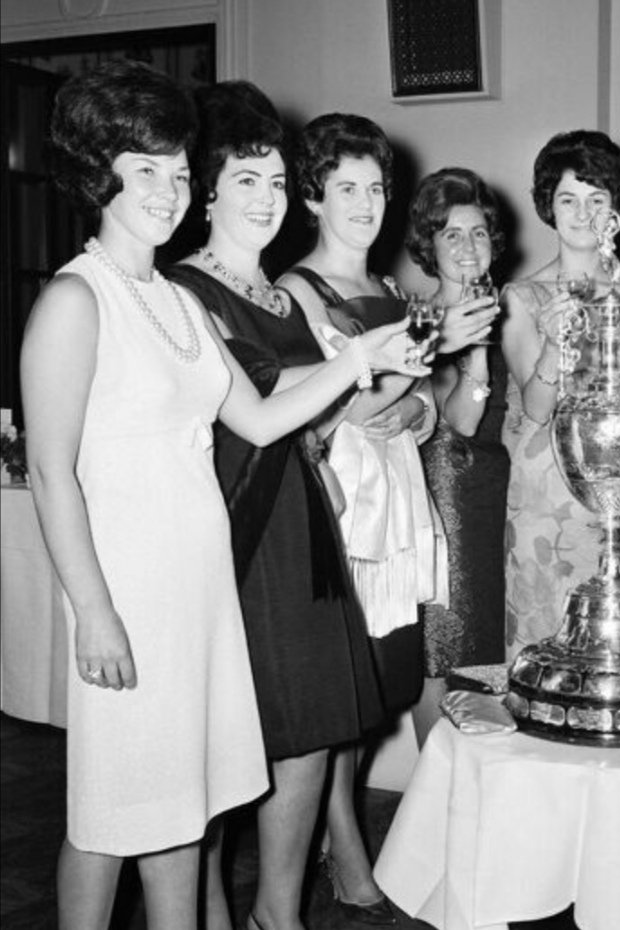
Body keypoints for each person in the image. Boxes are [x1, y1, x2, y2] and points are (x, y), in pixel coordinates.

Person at [21, 61, 424, 930]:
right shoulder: (73, 299)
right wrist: (92, 611)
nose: (168, 191)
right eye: (146, 171)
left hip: (203, 591)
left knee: (186, 809)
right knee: (109, 815)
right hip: (127, 590)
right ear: (102, 176)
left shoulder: (176, 302)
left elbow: (266, 418)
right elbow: (52, 473)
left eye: (176, 169)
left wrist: (361, 361)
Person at [165, 84, 401, 928]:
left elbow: (303, 395)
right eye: (246, 183)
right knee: (228, 742)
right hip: (232, 526)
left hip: (300, 517)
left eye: (274, 183)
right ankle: (210, 913)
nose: (266, 201)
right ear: (207, 193)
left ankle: (278, 912)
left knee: (309, 732)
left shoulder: (273, 292)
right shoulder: (186, 289)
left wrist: (382, 372)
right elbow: (255, 407)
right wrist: (361, 360)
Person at [277, 114, 494, 913]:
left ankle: (346, 847)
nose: (364, 203)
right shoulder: (299, 291)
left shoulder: (393, 291)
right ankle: (345, 853)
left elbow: (421, 406)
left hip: (400, 503)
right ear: (313, 197)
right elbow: (335, 412)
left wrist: (425, 405)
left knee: (379, 690)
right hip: (344, 509)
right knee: (343, 696)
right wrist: (416, 373)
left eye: (375, 187)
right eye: (346, 188)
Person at [501, 129, 620, 656]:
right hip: (544, 495)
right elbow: (535, 408)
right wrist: (555, 349)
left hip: (619, 497)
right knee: (546, 653)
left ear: (616, 209)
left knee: (615, 649)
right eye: (568, 199)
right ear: (549, 208)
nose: (583, 214)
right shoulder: (522, 296)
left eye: (597, 199)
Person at [404, 167, 511, 743]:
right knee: (445, 656)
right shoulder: (422, 320)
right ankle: (435, 793)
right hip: (450, 493)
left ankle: (481, 801)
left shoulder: (510, 307)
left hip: (505, 495)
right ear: (430, 246)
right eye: (451, 234)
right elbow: (462, 420)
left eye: (478, 233)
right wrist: (474, 347)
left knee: (495, 656)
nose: (468, 248)